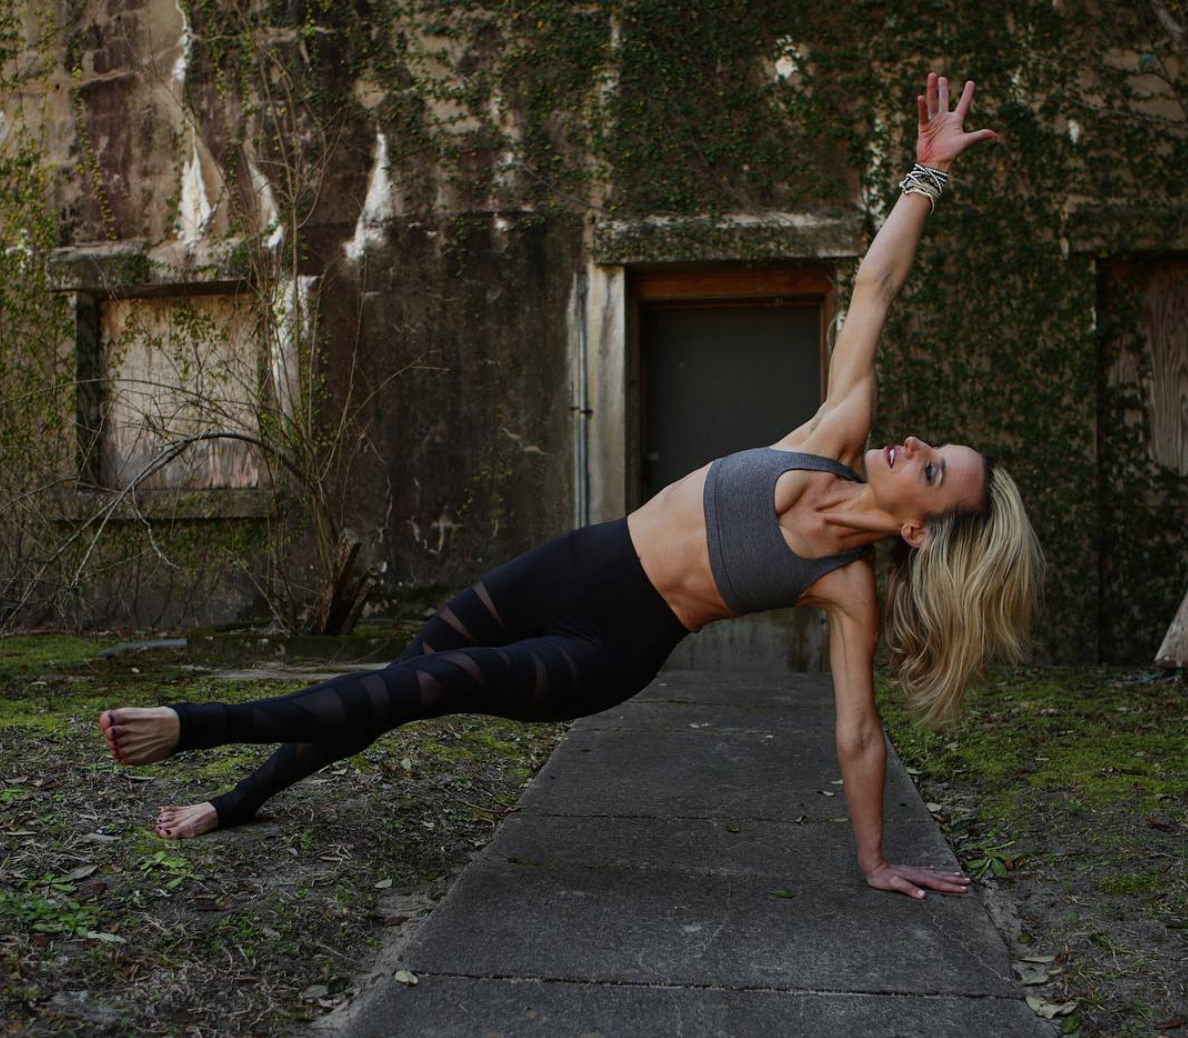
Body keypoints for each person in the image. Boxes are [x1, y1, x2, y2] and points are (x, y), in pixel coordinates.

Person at [99, 73, 1043, 901]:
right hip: (573, 564)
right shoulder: (834, 435)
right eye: (932, 445)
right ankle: (240, 801)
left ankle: (193, 730)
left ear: (920, 532)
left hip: (605, 650)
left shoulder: (845, 586)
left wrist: (875, 862)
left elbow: (859, 736)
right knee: (398, 680)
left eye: (932, 469)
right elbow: (874, 286)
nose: (913, 445)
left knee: (424, 689)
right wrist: (926, 174)